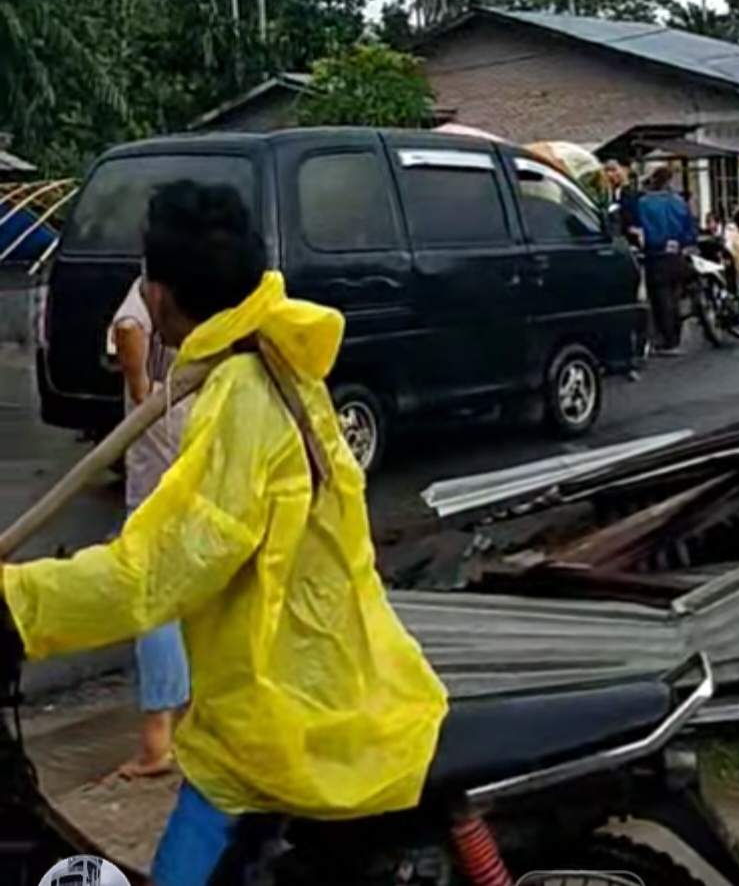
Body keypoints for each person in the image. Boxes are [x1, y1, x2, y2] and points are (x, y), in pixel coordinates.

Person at [0, 181, 448, 886]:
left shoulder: (243, 397)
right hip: (324, 675)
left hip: (284, 712)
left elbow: (155, 572)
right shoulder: (273, 359)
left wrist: (15, 604)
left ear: (161, 294)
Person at [111, 277, 192, 778]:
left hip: (164, 443)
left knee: (154, 590)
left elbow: (127, 327)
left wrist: (141, 388)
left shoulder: (154, 283)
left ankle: (158, 737)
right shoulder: (230, 279)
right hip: (214, 436)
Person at [638, 166, 697, 357]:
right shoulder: (679, 202)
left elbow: (644, 230)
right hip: (677, 254)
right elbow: (690, 229)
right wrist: (681, 242)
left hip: (656, 255)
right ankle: (675, 337)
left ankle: (667, 339)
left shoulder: (645, 203)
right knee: (674, 296)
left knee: (661, 299)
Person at [602, 158, 642, 247]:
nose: (610, 174)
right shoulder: (606, 195)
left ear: (625, 170)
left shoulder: (631, 195)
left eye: (613, 170)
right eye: (607, 170)